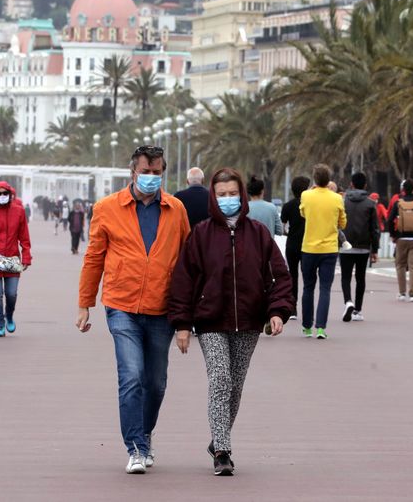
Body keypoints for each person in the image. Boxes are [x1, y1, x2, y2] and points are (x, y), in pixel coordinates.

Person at [169, 168, 294, 476]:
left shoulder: (258, 233)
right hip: (210, 320)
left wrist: (277, 311)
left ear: (242, 195)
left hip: (249, 321)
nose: (227, 199)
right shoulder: (201, 234)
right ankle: (223, 451)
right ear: (213, 196)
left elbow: (280, 275)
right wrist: (183, 323)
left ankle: (218, 437)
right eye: (221, 194)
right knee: (221, 379)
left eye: (232, 193)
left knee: (235, 386)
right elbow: (184, 279)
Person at [77, 145, 190, 474]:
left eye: (157, 173)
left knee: (155, 382)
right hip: (121, 304)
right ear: (133, 172)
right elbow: (94, 256)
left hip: (162, 308)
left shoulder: (176, 209)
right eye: (146, 172)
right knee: (131, 376)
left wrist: (187, 315)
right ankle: (136, 448)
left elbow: (187, 262)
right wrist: (85, 303)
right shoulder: (108, 208)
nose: (152, 178)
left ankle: (145, 434)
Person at [300, 164, 346, 339]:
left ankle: (306, 327)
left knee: (308, 287)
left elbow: (303, 213)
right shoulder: (336, 198)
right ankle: (321, 328)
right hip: (329, 249)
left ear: (314, 179)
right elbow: (342, 223)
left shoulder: (306, 195)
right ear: (328, 180)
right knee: (325, 288)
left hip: (309, 248)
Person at [0, 181, 32, 336]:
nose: (2, 196)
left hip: (12, 258)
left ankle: (9, 315)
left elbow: (24, 237)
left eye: (5, 193)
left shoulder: (19, 211)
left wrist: (26, 256)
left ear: (10, 195)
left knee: (11, 294)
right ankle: (0, 324)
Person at [340, 173, 380, 322]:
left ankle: (348, 302)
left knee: (345, 277)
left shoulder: (343, 202)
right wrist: (375, 249)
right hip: (363, 247)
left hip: (345, 245)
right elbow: (374, 229)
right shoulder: (370, 204)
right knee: (360, 278)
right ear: (365, 185)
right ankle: (358, 310)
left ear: (351, 184)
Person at [281, 176, 311, 318]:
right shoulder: (310, 205)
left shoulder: (288, 205)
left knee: (292, 275)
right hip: (308, 244)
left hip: (292, 244)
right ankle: (307, 308)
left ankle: (293, 308)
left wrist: (288, 232)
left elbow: (283, 227)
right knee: (307, 276)